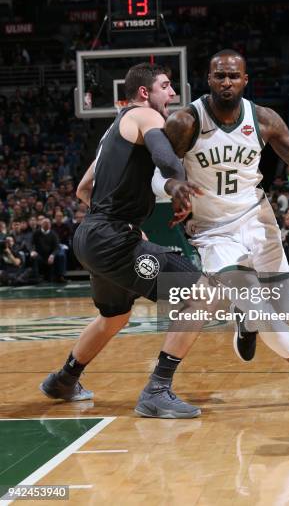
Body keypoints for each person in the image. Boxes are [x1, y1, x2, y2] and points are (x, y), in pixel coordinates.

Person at [153, 49, 289, 408]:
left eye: (233, 76)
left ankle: (246, 321)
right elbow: (159, 172)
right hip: (213, 231)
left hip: (258, 220)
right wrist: (173, 188)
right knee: (264, 312)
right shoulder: (185, 121)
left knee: (279, 311)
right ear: (208, 80)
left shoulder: (264, 119)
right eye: (219, 76)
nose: (226, 82)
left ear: (245, 80)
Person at [39, 62, 207, 419]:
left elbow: (85, 189)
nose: (173, 94)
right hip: (111, 239)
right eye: (166, 86)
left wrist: (125, 222)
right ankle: (157, 390)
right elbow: (165, 159)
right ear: (145, 93)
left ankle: (64, 379)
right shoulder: (145, 116)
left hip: (91, 235)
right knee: (203, 293)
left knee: (114, 317)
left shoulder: (112, 133)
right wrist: (177, 182)